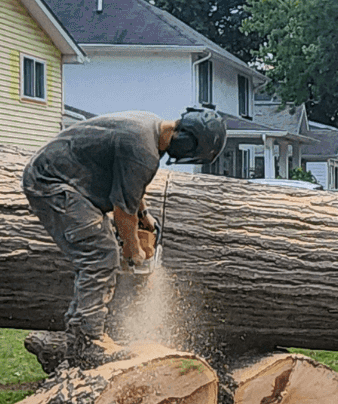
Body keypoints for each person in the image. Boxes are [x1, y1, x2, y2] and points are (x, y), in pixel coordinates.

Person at [22, 108, 226, 367]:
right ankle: (87, 340)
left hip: (64, 179)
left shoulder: (149, 126)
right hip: (50, 182)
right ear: (188, 143)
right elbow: (122, 213)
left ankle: (79, 333)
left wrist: (145, 214)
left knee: (101, 250)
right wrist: (133, 251)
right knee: (100, 253)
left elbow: (129, 183)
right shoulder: (143, 149)